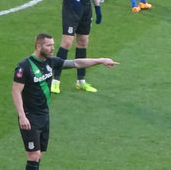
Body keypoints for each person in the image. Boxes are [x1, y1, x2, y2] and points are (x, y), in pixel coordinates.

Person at [13, 33, 118, 170]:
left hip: (44, 115)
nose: (52, 48)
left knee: (39, 154)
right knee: (34, 154)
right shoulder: (24, 67)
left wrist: (101, 60)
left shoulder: (50, 61)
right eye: (48, 45)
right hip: (29, 116)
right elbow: (16, 91)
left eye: (53, 45)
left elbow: (76, 63)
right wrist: (22, 116)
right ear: (39, 46)